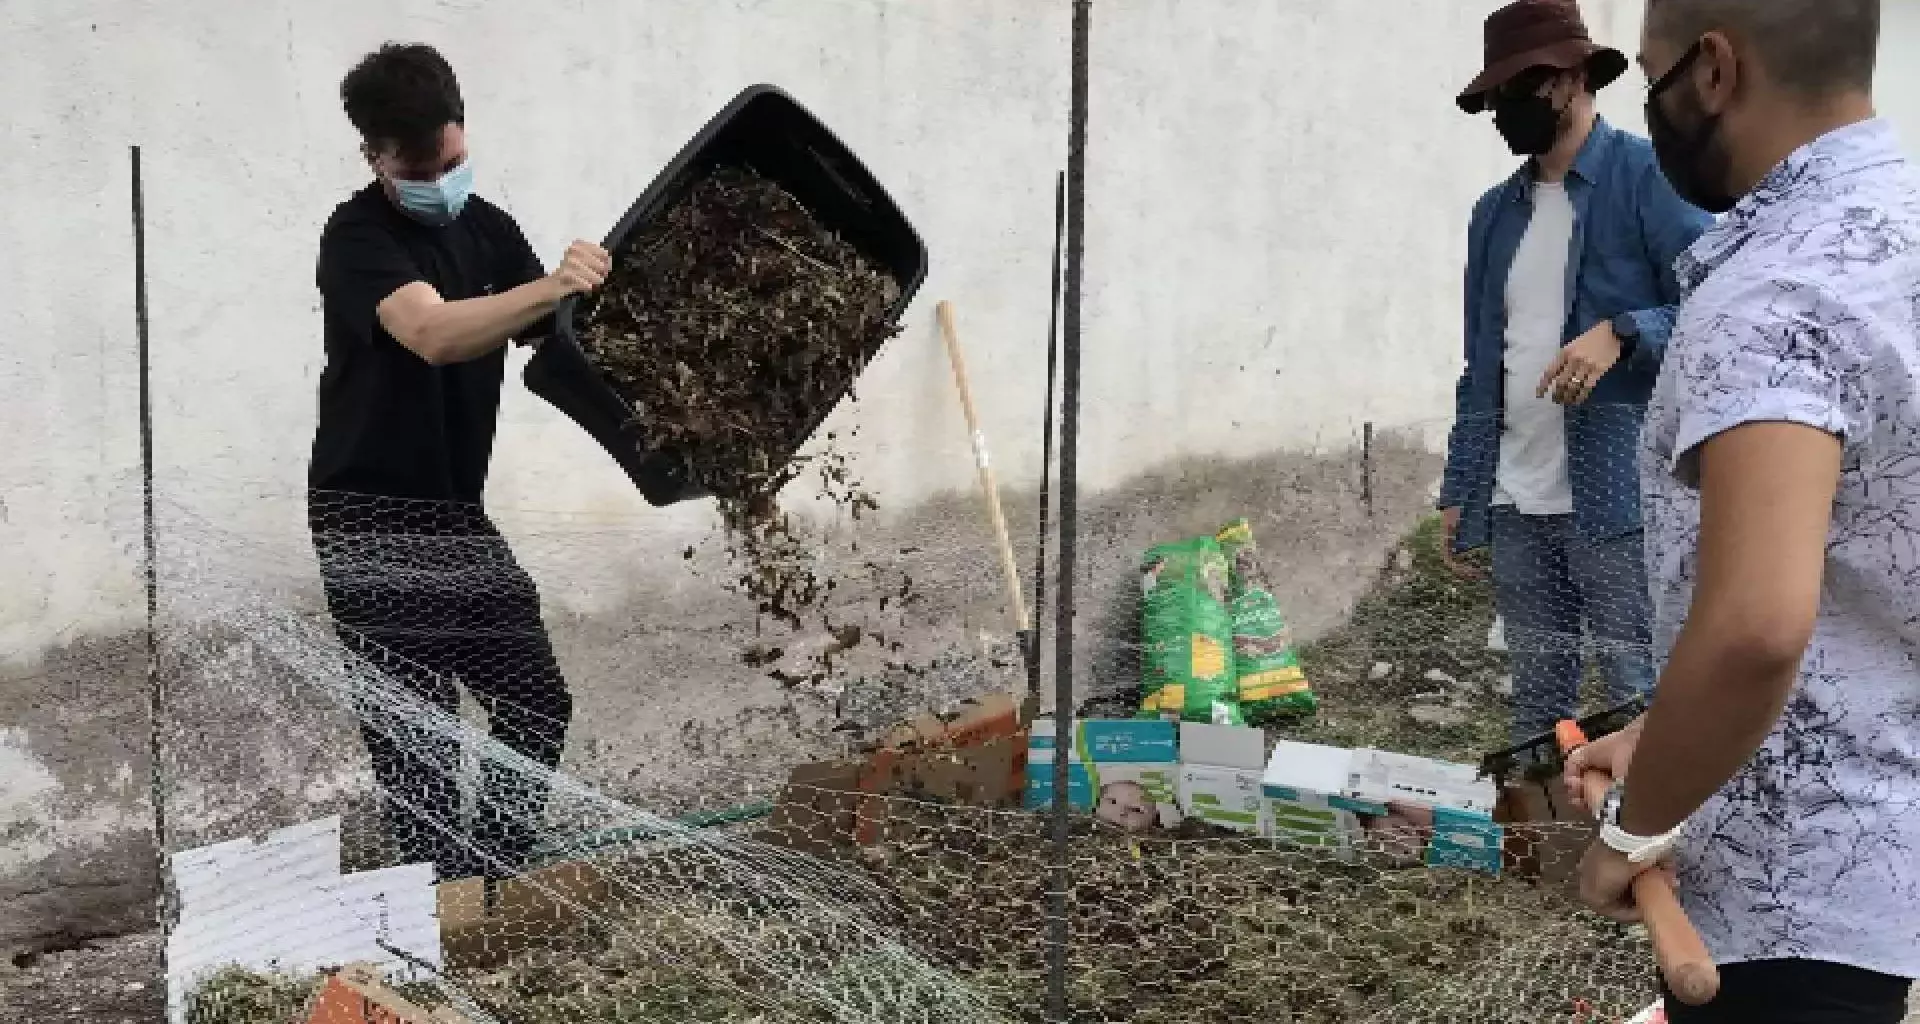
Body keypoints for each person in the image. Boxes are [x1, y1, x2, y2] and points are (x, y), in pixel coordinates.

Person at [1568, 1, 1917, 1020]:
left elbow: (1756, 629)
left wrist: (1635, 829)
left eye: (1653, 75)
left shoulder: (1777, 292)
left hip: (1788, 892)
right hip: (1880, 851)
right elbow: (1860, 565)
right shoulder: (1896, 234)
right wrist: (1677, 730)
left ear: (1712, 71)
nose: (1651, 107)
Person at [307, 42, 612, 881]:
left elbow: (548, 329)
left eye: (457, 158)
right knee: (420, 741)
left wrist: (603, 299)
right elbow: (435, 332)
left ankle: (495, 881)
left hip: (452, 514)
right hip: (366, 519)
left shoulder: (488, 231)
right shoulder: (357, 236)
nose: (446, 178)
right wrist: (551, 287)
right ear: (376, 155)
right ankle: (441, 908)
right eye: (426, 166)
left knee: (534, 702)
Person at [1441, 0, 1712, 744]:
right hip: (1517, 493)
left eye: (1519, 89)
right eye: (1495, 96)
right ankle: (1545, 850)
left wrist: (1625, 331)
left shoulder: (1647, 177)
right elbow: (1481, 361)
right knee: (1537, 700)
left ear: (1572, 78)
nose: (1505, 108)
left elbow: (1724, 303)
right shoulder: (1494, 214)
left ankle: (1647, 852)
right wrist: (1463, 487)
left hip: (1619, 493)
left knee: (1637, 693)